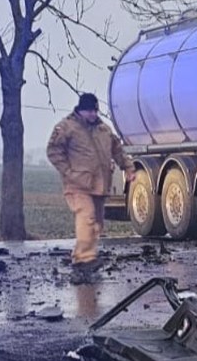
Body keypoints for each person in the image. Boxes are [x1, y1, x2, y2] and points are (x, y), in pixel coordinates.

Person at [46, 93, 134, 283]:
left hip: (99, 184)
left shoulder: (104, 130)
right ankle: (85, 259)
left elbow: (118, 150)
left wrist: (128, 167)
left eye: (95, 110)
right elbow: (53, 151)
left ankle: (81, 257)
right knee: (87, 216)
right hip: (77, 185)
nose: (93, 114)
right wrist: (69, 172)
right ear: (80, 109)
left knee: (96, 225)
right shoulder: (67, 127)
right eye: (89, 111)